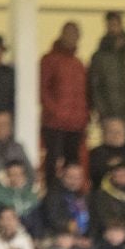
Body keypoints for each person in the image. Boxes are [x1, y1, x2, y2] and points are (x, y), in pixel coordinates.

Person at [40, 22, 88, 177]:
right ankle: (52, 196)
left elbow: (85, 93)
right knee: (53, 163)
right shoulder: (49, 60)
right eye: (69, 34)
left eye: (76, 35)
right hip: (54, 124)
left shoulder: (79, 64)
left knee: (73, 164)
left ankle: (71, 198)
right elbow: (42, 89)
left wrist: (85, 116)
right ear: (62, 34)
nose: (72, 38)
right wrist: (55, 112)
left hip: (76, 124)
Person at [87, 11, 125, 132]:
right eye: (110, 24)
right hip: (110, 118)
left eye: (116, 24)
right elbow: (95, 88)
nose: (113, 28)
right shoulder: (99, 58)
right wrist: (103, 113)